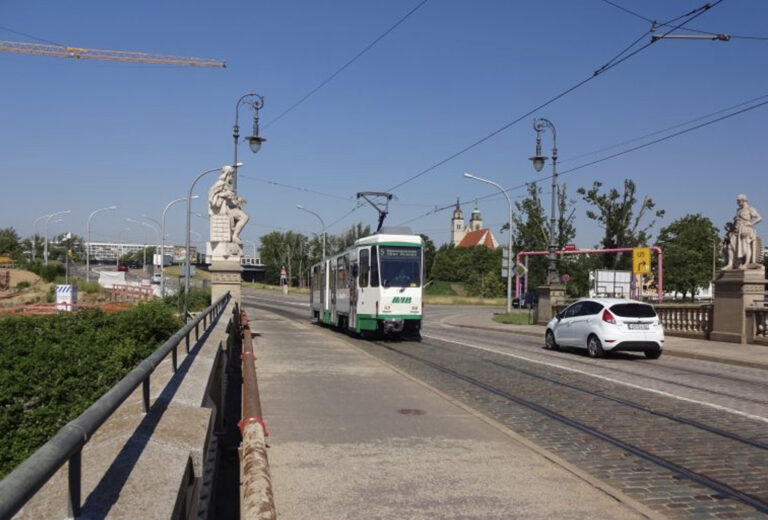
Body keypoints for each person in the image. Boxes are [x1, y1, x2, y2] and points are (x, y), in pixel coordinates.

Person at [208, 166, 250, 245]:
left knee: (245, 217)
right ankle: (234, 235)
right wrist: (225, 194)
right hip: (224, 208)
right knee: (244, 217)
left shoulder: (228, 185)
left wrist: (238, 200)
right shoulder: (220, 183)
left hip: (231, 207)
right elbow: (211, 194)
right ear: (228, 174)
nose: (233, 177)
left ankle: (235, 235)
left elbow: (232, 200)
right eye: (232, 174)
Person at [725, 194, 763, 269]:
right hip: (736, 230)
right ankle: (730, 264)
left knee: (746, 246)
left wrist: (751, 223)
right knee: (730, 247)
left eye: (738, 201)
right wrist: (730, 226)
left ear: (742, 200)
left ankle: (746, 263)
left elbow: (759, 218)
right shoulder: (738, 210)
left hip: (745, 229)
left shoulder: (750, 208)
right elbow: (736, 221)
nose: (737, 203)